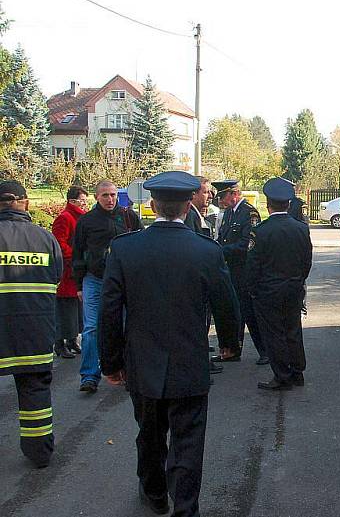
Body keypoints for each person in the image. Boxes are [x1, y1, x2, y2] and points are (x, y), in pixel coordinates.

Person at [98, 171, 240, 517]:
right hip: (188, 362)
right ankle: (186, 507)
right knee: (188, 440)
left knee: (148, 432)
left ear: (152, 205)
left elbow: (109, 310)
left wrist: (110, 362)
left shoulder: (125, 248)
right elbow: (226, 301)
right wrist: (229, 343)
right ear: (188, 203)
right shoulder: (205, 250)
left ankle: (155, 494)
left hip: (142, 362)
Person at [0, 180, 63, 468]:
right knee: (35, 390)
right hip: (35, 330)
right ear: (25, 203)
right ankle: (39, 453)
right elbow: (56, 276)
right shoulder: (45, 238)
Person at [72, 180, 142, 393]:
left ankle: (124, 369)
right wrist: (79, 285)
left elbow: (141, 246)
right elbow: (77, 254)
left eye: (113, 195)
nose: (110, 199)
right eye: (105, 196)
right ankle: (89, 375)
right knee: (92, 328)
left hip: (123, 280)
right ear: (97, 197)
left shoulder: (129, 217)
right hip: (94, 280)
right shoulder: (86, 221)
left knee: (125, 326)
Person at [248, 178, 313, 390]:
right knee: (293, 329)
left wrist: (253, 289)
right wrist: (299, 280)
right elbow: (307, 260)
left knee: (273, 333)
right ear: (288, 203)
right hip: (293, 287)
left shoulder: (261, 231)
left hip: (268, 290)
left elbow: (253, 265)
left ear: (268, 205)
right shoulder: (301, 229)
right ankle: (297, 372)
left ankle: (282, 375)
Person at [211, 180, 268, 364]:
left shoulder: (249, 213)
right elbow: (222, 238)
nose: (220, 200)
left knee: (250, 312)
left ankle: (265, 351)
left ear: (234, 194)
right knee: (234, 313)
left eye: (223, 196)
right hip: (230, 270)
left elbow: (247, 244)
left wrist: (221, 251)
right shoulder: (228, 213)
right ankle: (234, 350)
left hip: (245, 270)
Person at [185, 177, 223, 378]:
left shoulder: (199, 214)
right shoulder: (191, 215)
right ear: (193, 194)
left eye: (210, 192)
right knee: (198, 325)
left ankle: (202, 361)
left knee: (203, 324)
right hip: (196, 282)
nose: (209, 196)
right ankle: (200, 366)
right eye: (205, 192)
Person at [51, 185, 88, 358]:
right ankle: (59, 343)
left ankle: (72, 340)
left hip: (76, 271)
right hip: (67, 272)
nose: (84, 203)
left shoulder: (80, 217)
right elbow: (59, 243)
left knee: (76, 310)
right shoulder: (65, 218)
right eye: (82, 200)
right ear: (72, 201)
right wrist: (76, 256)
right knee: (65, 310)